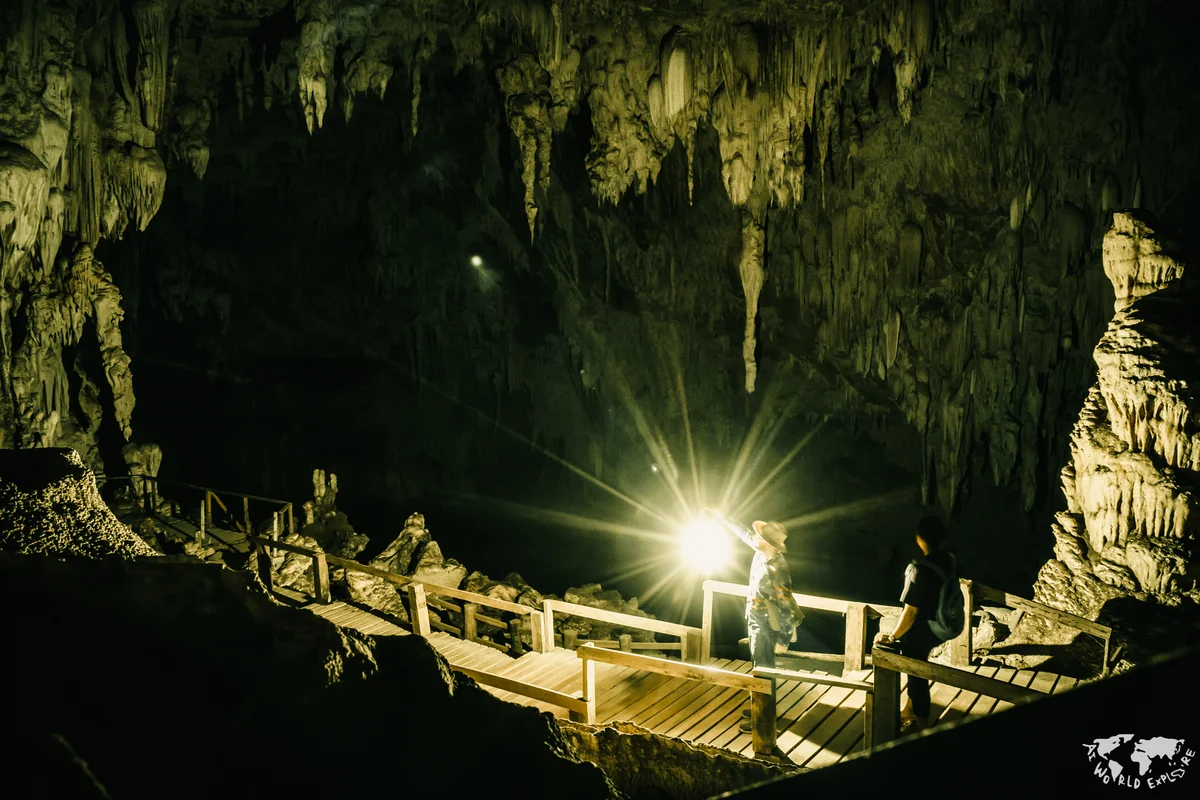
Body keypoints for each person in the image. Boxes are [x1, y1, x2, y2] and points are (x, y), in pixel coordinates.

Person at [701, 508, 803, 733]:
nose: (753, 537)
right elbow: (742, 532)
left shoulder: (778, 569)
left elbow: (786, 603)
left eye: (759, 536)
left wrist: (784, 639)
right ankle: (763, 706)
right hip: (756, 617)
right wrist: (719, 515)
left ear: (767, 543)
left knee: (763, 670)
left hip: (767, 624)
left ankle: (764, 720)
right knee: (761, 667)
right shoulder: (761, 551)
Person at [875, 515, 957, 733]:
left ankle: (921, 720)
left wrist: (893, 637)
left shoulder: (921, 570)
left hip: (925, 629)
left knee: (915, 669)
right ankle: (909, 709)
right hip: (943, 622)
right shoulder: (948, 559)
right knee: (916, 663)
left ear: (919, 539)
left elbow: (910, 612)